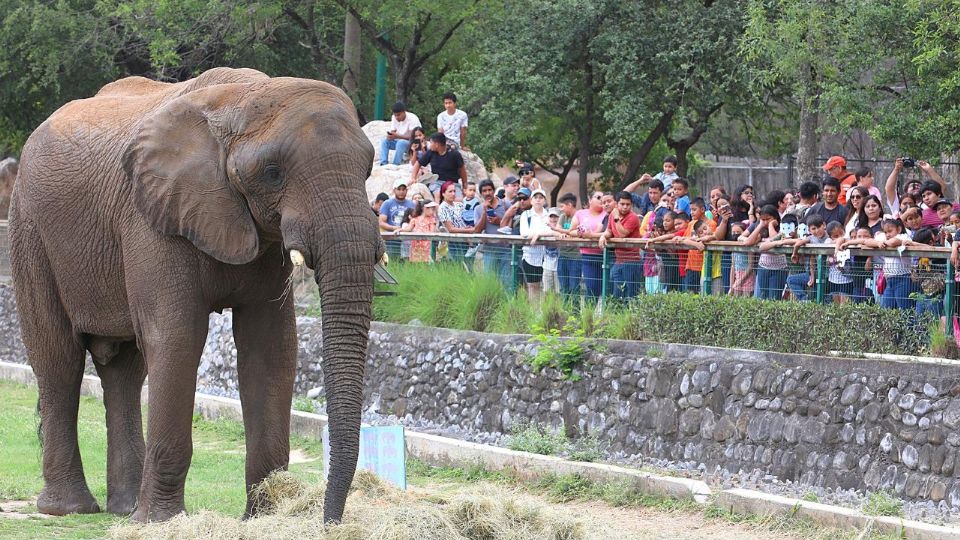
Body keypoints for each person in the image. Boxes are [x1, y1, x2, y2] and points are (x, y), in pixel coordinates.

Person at [841, 218, 919, 309]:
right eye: (885, 232)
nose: (887, 234)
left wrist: (880, 243)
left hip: (903, 278)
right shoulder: (883, 238)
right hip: (889, 280)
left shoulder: (904, 237)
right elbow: (866, 241)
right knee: (885, 309)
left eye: (890, 231)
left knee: (905, 310)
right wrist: (848, 243)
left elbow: (894, 242)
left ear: (898, 229)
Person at [599, 191, 643, 299]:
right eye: (622, 204)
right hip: (618, 260)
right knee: (617, 293)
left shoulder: (633, 217)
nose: (625, 207)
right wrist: (603, 236)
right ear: (617, 204)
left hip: (632, 261)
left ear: (631, 205)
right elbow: (609, 231)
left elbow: (622, 234)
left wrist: (616, 218)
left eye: (627, 204)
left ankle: (632, 315)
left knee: (631, 294)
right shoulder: (612, 216)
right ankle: (617, 313)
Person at [567, 191, 608, 298]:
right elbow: (571, 231)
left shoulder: (607, 213)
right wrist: (581, 233)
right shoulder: (580, 213)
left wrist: (591, 235)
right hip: (588, 255)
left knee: (607, 289)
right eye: (598, 197)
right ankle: (588, 314)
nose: (601, 200)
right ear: (590, 200)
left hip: (607, 255)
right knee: (592, 287)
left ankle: (605, 313)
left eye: (603, 198)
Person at [473, 179, 511, 287]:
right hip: (489, 250)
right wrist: (485, 212)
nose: (487, 193)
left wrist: (499, 221)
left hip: (506, 249)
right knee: (490, 282)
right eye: (484, 191)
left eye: (489, 190)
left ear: (493, 190)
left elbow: (511, 226)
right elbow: (477, 230)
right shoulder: (478, 209)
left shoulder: (506, 204)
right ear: (481, 193)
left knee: (507, 282)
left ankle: (508, 303)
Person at [410, 132, 467, 198]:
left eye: (431, 143)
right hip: (436, 181)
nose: (430, 145)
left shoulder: (455, 154)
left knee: (458, 200)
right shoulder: (431, 152)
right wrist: (413, 178)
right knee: (437, 195)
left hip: (452, 183)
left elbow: (462, 170)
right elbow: (418, 163)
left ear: (436, 144)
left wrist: (465, 185)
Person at [519, 189, 552, 300]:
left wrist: (538, 234)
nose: (538, 200)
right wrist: (542, 233)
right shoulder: (526, 215)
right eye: (535, 197)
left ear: (544, 200)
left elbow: (554, 231)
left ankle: (547, 314)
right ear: (531, 200)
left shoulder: (550, 215)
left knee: (549, 288)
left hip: (549, 256)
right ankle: (534, 314)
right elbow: (524, 233)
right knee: (533, 287)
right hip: (530, 256)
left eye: (541, 197)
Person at [786, 214, 827, 301]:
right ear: (809, 230)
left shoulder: (828, 238)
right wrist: (794, 254)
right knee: (791, 280)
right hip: (811, 273)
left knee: (820, 295)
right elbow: (798, 244)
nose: (817, 230)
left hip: (825, 274)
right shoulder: (811, 238)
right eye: (813, 228)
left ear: (824, 225)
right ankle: (804, 300)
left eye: (819, 227)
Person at [379, 179, 417, 260]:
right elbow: (381, 222)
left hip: (407, 238)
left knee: (407, 260)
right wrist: (393, 228)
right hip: (392, 237)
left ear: (407, 190)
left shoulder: (411, 204)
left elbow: (415, 220)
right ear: (394, 190)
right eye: (399, 189)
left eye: (403, 189)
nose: (401, 191)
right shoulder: (387, 203)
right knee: (393, 259)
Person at [552, 193, 582, 297]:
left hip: (575, 257)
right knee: (563, 287)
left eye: (562, 206)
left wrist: (562, 232)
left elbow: (576, 233)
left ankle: (574, 312)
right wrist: (561, 233)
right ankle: (564, 310)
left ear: (569, 205)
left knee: (574, 287)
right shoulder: (562, 217)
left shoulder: (579, 216)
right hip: (563, 255)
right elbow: (557, 231)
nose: (561, 209)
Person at [437, 181, 473, 263]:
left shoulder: (459, 205)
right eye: (450, 191)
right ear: (443, 193)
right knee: (457, 265)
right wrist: (468, 230)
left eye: (454, 191)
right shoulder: (442, 208)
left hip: (465, 241)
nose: (453, 194)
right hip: (453, 243)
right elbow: (450, 229)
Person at [379, 101, 421, 166]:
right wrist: (390, 136)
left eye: (398, 115)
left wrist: (397, 136)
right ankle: (383, 163)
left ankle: (395, 164)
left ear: (404, 112)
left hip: (413, 143)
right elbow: (393, 131)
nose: (396, 117)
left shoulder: (412, 118)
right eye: (395, 115)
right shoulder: (394, 117)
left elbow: (414, 137)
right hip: (400, 140)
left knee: (401, 143)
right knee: (384, 141)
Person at [534, 208, 563, 294]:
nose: (553, 219)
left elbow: (558, 234)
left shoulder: (562, 231)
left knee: (559, 292)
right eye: (551, 217)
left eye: (556, 217)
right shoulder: (545, 229)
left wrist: (555, 232)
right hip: (547, 267)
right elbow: (543, 232)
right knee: (547, 292)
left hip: (559, 267)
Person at [728, 221, 754, 296]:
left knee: (746, 298)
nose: (735, 234)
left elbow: (750, 266)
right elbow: (733, 266)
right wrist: (731, 286)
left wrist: (740, 281)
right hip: (737, 275)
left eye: (738, 232)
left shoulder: (749, 247)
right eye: (733, 232)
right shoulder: (733, 247)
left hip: (747, 276)